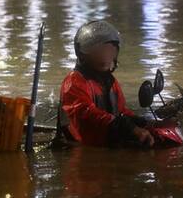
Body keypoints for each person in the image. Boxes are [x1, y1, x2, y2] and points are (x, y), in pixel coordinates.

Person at [55, 20, 155, 148]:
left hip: (107, 142)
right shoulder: (74, 82)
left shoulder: (110, 81)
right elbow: (88, 114)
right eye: (100, 51)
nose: (106, 55)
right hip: (81, 149)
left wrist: (143, 122)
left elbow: (121, 111)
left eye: (110, 50)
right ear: (85, 54)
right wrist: (127, 126)